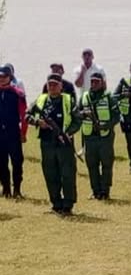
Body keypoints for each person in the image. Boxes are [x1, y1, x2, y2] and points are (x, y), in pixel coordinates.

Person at [28, 74, 82, 214]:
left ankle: (68, 205)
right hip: (47, 143)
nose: (52, 87)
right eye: (50, 84)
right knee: (50, 174)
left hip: (64, 144)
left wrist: (68, 133)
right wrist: (37, 122)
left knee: (67, 174)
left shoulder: (68, 100)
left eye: (55, 84)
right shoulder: (41, 100)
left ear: (61, 86)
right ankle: (56, 203)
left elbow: (78, 120)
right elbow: (27, 115)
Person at [78, 71, 120, 199]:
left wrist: (105, 125)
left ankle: (105, 191)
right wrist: (84, 114)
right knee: (92, 164)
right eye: (92, 82)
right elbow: (75, 113)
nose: (94, 84)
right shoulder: (84, 97)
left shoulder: (109, 97)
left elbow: (116, 116)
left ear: (102, 83)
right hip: (89, 137)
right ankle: (95, 191)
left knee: (106, 164)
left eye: (97, 82)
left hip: (105, 137)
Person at [0, 64, 27, 198]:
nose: (2, 79)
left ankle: (17, 189)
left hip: (13, 132)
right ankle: (5, 188)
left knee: (17, 162)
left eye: (4, 76)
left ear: (10, 77)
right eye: (0, 76)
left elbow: (24, 115)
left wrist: (23, 133)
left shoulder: (18, 94)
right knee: (1, 162)